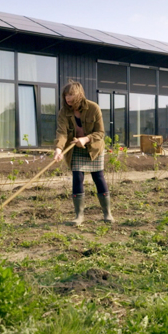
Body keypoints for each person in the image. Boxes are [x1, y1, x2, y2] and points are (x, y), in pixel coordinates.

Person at [53, 80, 114, 225]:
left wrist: (86, 139)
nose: (68, 98)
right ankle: (79, 216)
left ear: (79, 95)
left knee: (98, 177)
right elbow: (61, 133)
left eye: (71, 94)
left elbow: (100, 132)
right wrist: (58, 149)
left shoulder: (93, 108)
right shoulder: (64, 112)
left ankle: (107, 214)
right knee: (77, 177)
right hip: (76, 149)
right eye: (66, 95)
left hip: (94, 148)